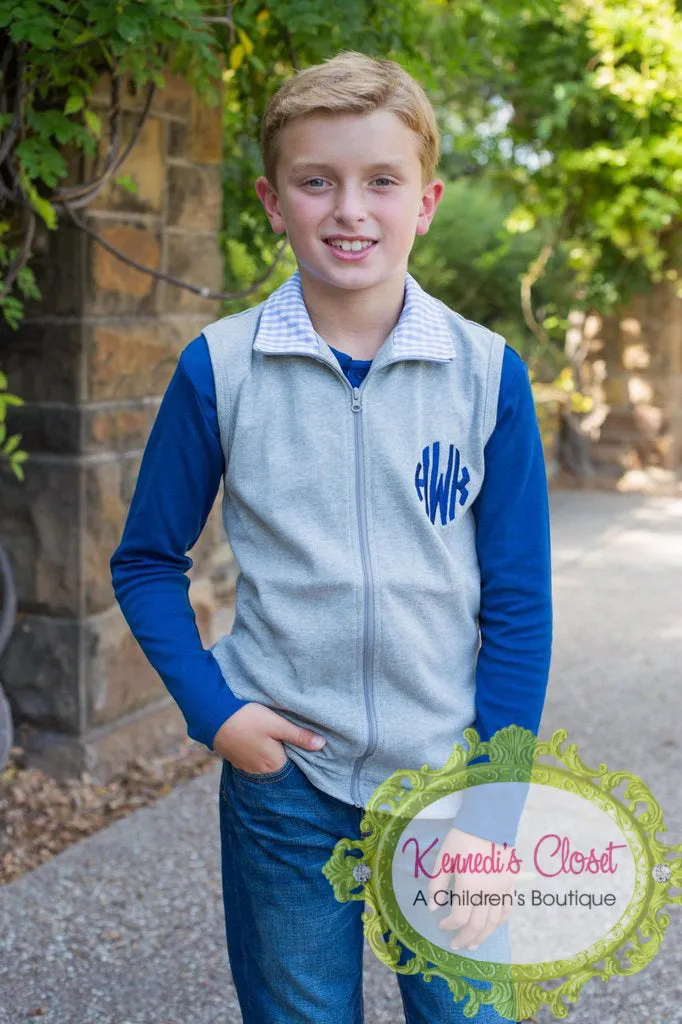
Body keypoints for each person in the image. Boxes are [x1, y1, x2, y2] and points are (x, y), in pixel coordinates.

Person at [110, 49, 552, 1024]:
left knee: (468, 1013)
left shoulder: (488, 375)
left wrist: (494, 808)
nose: (349, 208)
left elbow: (518, 604)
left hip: (446, 783)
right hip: (285, 783)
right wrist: (215, 710)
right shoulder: (218, 368)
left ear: (426, 200)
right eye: (318, 182)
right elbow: (145, 561)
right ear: (274, 200)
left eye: (380, 182)